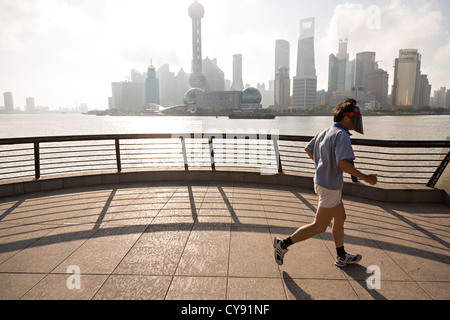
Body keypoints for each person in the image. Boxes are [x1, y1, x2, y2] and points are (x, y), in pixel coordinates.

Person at [274, 98, 378, 267]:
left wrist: (322, 166)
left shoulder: (326, 131)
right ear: (346, 117)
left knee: (341, 217)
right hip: (330, 187)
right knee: (319, 226)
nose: (357, 122)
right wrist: (365, 177)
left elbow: (308, 148)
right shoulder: (342, 135)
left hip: (322, 182)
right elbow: (342, 163)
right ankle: (282, 244)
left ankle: (341, 255)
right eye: (355, 118)